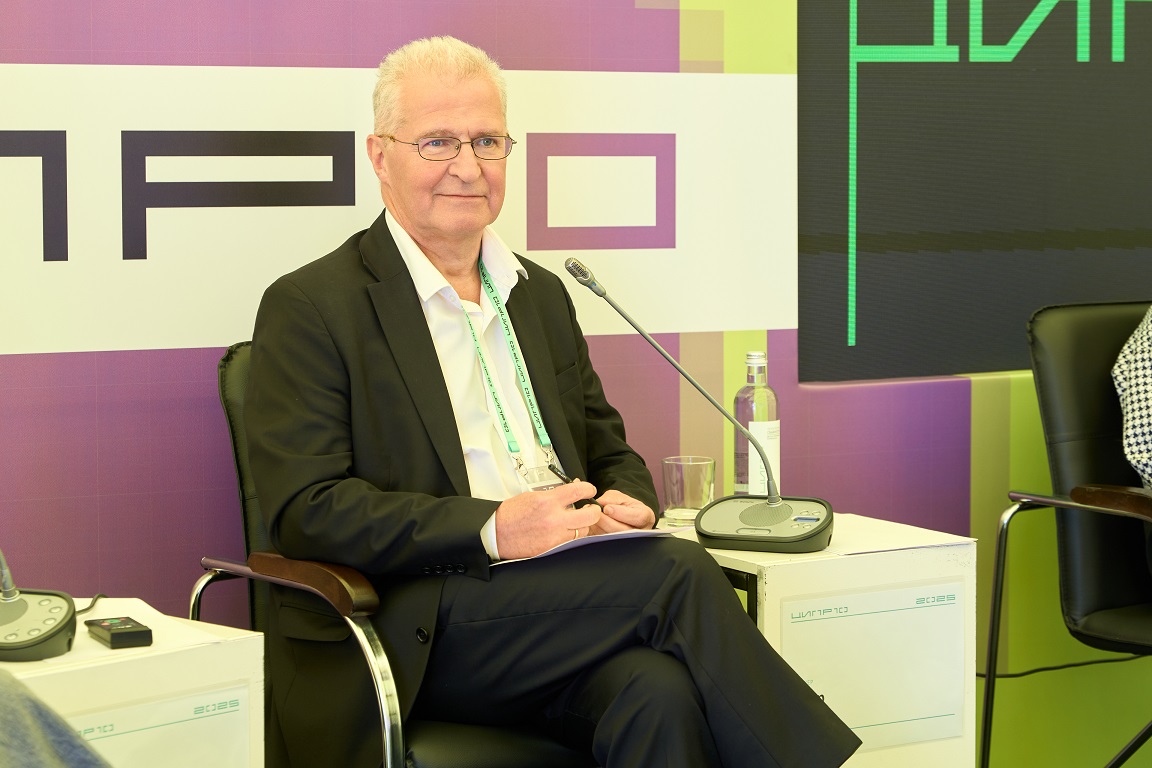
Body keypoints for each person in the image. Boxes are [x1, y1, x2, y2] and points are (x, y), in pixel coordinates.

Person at [244, 35, 860, 768]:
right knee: (678, 573)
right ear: (381, 156)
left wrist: (631, 503)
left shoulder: (539, 294)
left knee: (657, 693)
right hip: (423, 617)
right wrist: (494, 528)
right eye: (438, 142)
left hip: (567, 600)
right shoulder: (313, 306)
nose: (468, 166)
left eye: (487, 141)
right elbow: (307, 510)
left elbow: (608, 449)